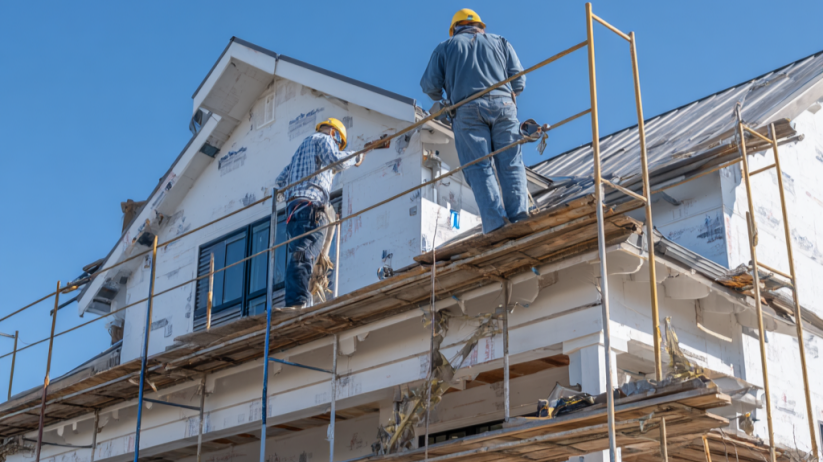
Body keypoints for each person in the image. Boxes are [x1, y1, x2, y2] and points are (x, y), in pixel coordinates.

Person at [420, 8, 529, 234]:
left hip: (467, 110)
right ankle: (519, 217)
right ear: (481, 27)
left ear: (454, 29)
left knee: (479, 167)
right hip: (504, 106)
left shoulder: (446, 47)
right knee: (510, 162)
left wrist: (446, 94)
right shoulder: (500, 42)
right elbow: (518, 83)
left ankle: (496, 224)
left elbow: (430, 87)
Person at [274, 117, 362, 309]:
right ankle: (298, 303)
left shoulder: (300, 151)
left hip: (294, 211)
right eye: (338, 143)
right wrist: (355, 157)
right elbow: (336, 160)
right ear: (333, 133)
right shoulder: (325, 139)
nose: (336, 146)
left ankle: (299, 299)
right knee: (304, 255)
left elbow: (280, 182)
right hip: (311, 208)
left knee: (300, 253)